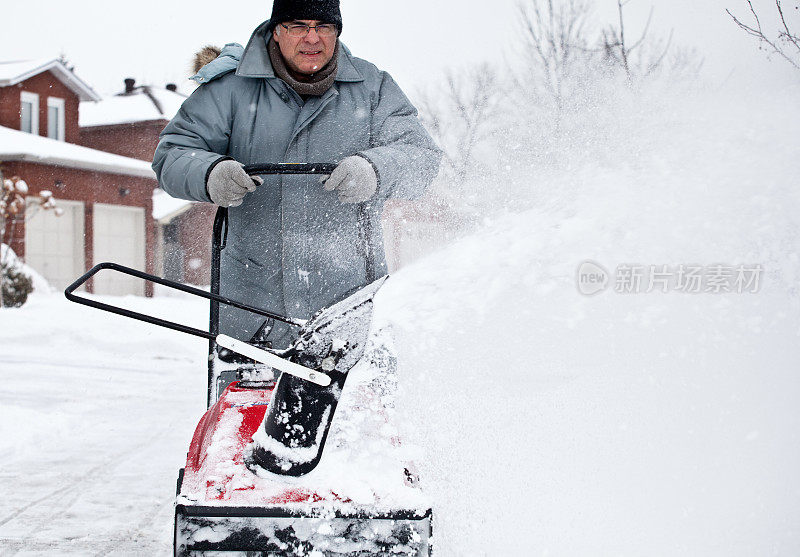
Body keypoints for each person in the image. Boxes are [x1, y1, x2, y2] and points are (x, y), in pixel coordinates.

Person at [153, 0, 441, 349]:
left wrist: (375, 170)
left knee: (355, 404)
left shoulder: (373, 88)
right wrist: (211, 173)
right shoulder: (230, 90)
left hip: (350, 315)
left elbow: (420, 157)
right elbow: (173, 155)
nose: (312, 38)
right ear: (276, 31)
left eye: (324, 27)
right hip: (252, 314)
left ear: (337, 32)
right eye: (298, 26)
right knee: (248, 406)